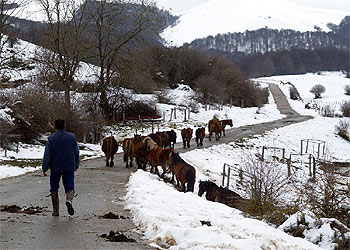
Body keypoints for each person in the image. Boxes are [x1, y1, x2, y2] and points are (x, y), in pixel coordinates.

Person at [42, 119, 80, 216]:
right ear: (65, 126)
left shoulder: (51, 138)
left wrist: (44, 168)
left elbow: (47, 155)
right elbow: (76, 152)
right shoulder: (72, 137)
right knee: (69, 185)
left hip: (55, 166)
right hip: (69, 165)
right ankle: (69, 201)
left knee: (54, 187)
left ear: (55, 127)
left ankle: (55, 210)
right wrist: (77, 164)